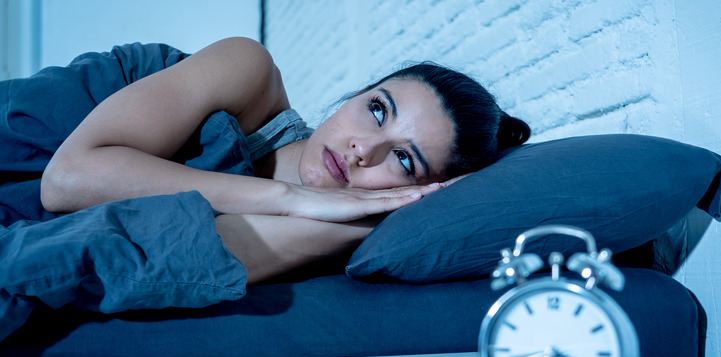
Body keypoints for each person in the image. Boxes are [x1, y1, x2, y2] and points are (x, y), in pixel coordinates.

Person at [0, 37, 530, 339]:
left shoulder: (325, 239)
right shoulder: (248, 76)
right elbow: (67, 182)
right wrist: (288, 196)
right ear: (357, 93)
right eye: (376, 110)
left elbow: (149, 254)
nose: (362, 151)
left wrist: (353, 218)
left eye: (404, 160)